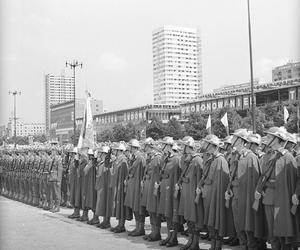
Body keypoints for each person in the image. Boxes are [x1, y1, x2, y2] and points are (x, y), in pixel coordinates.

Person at [255, 127, 298, 250]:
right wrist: (260, 189)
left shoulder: (288, 157)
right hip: (268, 196)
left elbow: (293, 181)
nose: (267, 138)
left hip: (282, 198)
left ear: (277, 138)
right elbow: (263, 175)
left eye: (269, 136)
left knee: (282, 230)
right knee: (272, 231)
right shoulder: (268, 155)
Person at [203, 134, 235, 250]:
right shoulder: (212, 159)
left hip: (216, 197)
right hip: (210, 196)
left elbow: (222, 182)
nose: (204, 145)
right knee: (211, 222)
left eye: (206, 143)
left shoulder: (221, 160)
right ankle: (213, 244)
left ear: (212, 145)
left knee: (217, 221)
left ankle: (217, 246)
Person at [178, 136, 204, 250]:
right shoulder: (187, 158)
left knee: (194, 219)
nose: (182, 147)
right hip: (187, 192)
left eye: (184, 145)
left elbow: (200, 178)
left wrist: (198, 192)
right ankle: (190, 240)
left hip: (193, 193)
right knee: (188, 218)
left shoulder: (197, 160)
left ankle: (195, 243)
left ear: (189, 146)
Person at [157, 136, 180, 247]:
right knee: (167, 214)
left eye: (164, 144)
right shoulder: (167, 158)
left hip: (171, 189)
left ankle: (174, 237)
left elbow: (176, 176)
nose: (162, 146)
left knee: (172, 214)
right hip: (165, 188)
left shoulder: (176, 159)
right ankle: (169, 236)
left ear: (169, 146)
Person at [142, 138, 163, 242]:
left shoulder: (157, 157)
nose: (144, 148)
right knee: (150, 209)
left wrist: (158, 184)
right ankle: (153, 231)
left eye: (145, 146)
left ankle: (157, 233)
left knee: (154, 210)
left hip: (155, 186)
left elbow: (160, 172)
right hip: (149, 185)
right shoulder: (150, 157)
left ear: (149, 146)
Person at [124, 139, 146, 237]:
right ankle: (138, 227)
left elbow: (143, 172)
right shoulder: (134, 157)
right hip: (132, 185)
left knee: (138, 208)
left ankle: (141, 228)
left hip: (137, 185)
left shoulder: (141, 158)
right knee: (134, 207)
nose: (130, 149)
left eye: (131, 147)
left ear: (135, 148)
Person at [110, 142, 130, 233]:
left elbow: (125, 175)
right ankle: (119, 224)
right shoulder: (118, 159)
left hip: (121, 186)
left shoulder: (123, 160)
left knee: (121, 205)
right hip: (117, 184)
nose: (113, 151)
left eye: (115, 150)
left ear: (118, 151)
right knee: (118, 205)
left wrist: (123, 186)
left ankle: (122, 225)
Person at [94, 145, 112, 228]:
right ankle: (104, 221)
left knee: (106, 203)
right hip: (101, 185)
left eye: (101, 153)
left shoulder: (107, 164)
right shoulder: (101, 163)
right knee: (102, 204)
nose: (99, 154)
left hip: (105, 186)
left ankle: (107, 221)